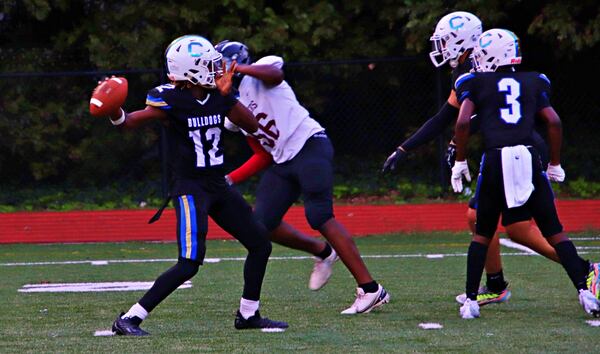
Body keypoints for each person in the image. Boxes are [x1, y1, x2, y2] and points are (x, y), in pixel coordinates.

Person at [98, 35, 288, 335]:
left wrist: (228, 96)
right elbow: (131, 121)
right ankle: (130, 319)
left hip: (217, 185)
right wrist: (114, 111)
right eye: (209, 64)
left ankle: (248, 315)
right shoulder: (170, 100)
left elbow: (252, 125)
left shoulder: (219, 94)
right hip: (190, 189)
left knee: (260, 245)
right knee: (189, 262)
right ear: (193, 70)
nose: (217, 68)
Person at [381, 11, 562, 306]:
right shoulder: (466, 70)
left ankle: (584, 271)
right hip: (511, 150)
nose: (439, 49)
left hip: (521, 150)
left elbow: (483, 114)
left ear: (462, 42)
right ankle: (498, 283)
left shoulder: (485, 66)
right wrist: (405, 148)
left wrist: (457, 141)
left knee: (514, 225)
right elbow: (444, 118)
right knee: (506, 225)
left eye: (444, 42)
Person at [215, 40, 389, 314]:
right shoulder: (231, 108)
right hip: (283, 161)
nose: (216, 73)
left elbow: (276, 74)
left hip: (309, 144)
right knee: (261, 225)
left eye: (221, 66)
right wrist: (230, 178)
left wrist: (240, 68)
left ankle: (370, 289)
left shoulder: (261, 72)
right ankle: (323, 252)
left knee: (319, 215)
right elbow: (263, 154)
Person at [451, 28, 600, 318]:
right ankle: (585, 292)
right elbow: (553, 121)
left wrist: (460, 159)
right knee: (554, 231)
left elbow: (462, 122)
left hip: (496, 158)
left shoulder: (474, 81)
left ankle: (470, 302)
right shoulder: (535, 80)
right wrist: (555, 162)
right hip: (530, 157)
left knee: (482, 233)